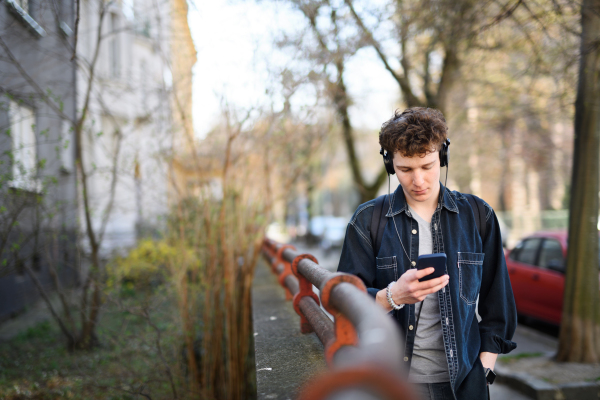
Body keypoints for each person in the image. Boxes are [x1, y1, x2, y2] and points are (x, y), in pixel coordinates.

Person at [337, 107, 517, 400]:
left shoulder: (478, 215)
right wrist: (392, 296)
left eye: (428, 166)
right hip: (392, 385)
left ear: (442, 157)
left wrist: (484, 370)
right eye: (406, 169)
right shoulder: (367, 219)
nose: (418, 180)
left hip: (464, 386)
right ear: (390, 164)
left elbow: (500, 304)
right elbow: (344, 299)